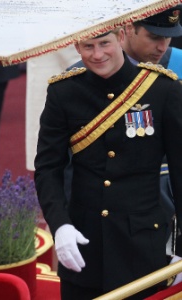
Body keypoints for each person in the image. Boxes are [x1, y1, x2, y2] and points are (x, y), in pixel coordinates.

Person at [34, 27, 182, 299]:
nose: (97, 54)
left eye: (105, 43)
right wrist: (61, 225)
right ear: (77, 48)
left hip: (141, 246)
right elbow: (48, 169)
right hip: (83, 245)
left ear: (122, 37)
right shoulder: (63, 92)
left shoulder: (163, 90)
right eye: (88, 47)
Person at [68, 5, 182, 254]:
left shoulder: (178, 66)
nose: (162, 47)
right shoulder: (80, 75)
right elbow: (65, 159)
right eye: (153, 37)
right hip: (103, 215)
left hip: (164, 206)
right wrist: (65, 222)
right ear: (128, 30)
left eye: (167, 36)